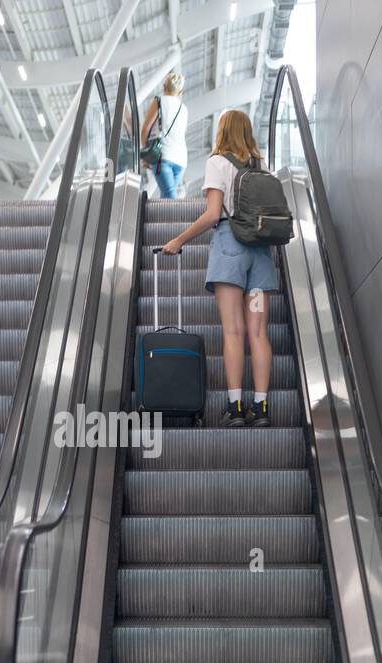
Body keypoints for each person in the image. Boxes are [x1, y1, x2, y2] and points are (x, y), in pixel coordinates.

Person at [161, 109, 278, 427]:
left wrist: (179, 239)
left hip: (230, 249)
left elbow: (214, 214)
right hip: (260, 254)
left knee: (234, 330)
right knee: (258, 331)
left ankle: (236, 406)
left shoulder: (218, 162)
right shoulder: (261, 165)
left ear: (222, 131)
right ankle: (262, 407)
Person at [141, 72, 188, 199]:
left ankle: (176, 218)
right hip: (181, 160)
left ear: (164, 86)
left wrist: (147, 154)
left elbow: (145, 130)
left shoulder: (159, 101)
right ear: (180, 92)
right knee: (167, 195)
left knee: (169, 196)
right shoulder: (184, 109)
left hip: (163, 156)